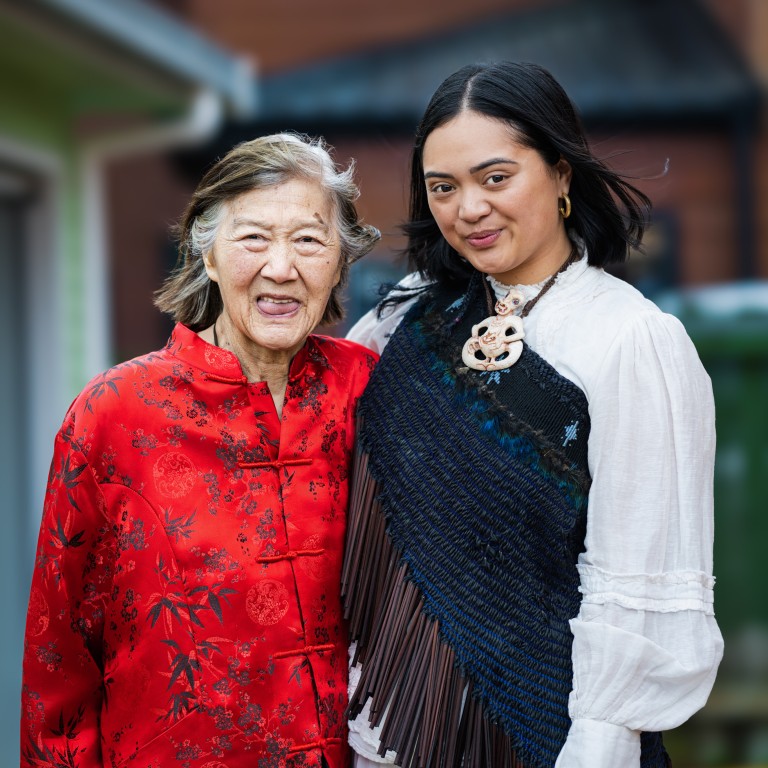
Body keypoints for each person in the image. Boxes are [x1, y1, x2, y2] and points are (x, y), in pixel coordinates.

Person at [341, 62, 723, 768]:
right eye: (443, 188)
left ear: (561, 174)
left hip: (541, 738)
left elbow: (636, 582)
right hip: (375, 731)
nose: (469, 210)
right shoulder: (404, 319)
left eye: (495, 178)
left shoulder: (630, 340)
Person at [21, 133, 380, 768]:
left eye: (308, 239)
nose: (281, 267)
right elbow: (59, 656)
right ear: (207, 255)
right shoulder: (114, 414)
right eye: (252, 238)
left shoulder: (368, 391)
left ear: (339, 262)